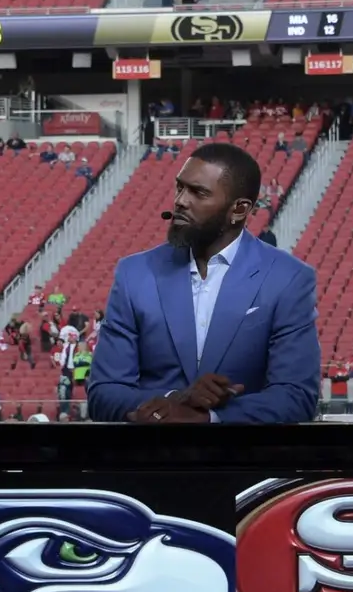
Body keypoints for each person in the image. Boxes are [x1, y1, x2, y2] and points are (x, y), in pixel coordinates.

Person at [86, 143, 319, 424]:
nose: (181, 201)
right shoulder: (134, 274)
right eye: (180, 188)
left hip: (242, 463)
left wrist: (207, 418)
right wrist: (176, 399)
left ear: (239, 209)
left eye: (199, 192)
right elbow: (104, 393)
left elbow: (295, 397)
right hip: (152, 462)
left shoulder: (289, 278)